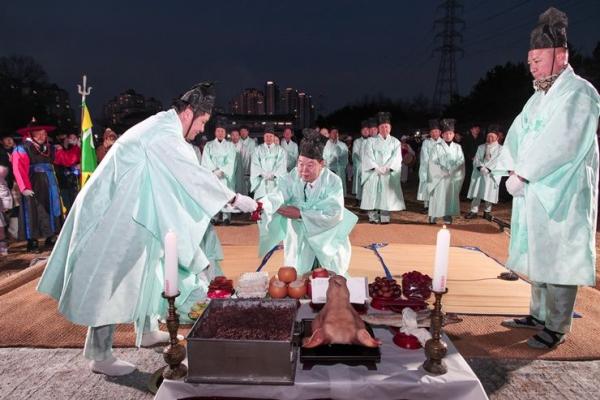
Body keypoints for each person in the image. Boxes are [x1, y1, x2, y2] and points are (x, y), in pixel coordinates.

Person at [36, 83, 258, 376]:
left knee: (150, 271)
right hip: (114, 214)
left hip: (135, 211)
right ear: (189, 113)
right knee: (111, 278)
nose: (200, 130)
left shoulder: (163, 127)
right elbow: (191, 177)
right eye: (202, 122)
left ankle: (147, 329)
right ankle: (99, 355)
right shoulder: (163, 134)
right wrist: (235, 199)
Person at [496, 8, 600, 349]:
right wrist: (511, 168)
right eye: (529, 61)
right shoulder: (539, 97)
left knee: (558, 256)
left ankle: (558, 324)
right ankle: (538, 313)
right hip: (536, 188)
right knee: (539, 252)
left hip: (563, 191)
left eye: (537, 59)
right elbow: (518, 132)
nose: (532, 66)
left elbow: (562, 143)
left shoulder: (579, 93)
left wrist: (524, 173)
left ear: (560, 55)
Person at [258, 129, 358, 276]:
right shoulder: (293, 175)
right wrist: (265, 204)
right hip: (299, 237)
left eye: (310, 165)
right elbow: (279, 193)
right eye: (300, 164)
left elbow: (333, 213)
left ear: (322, 164)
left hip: (326, 237)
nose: (303, 170)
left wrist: (301, 214)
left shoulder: (333, 181)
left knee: (331, 278)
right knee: (298, 276)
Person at [11, 118, 80, 252]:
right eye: (38, 134)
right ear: (31, 135)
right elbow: (18, 168)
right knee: (33, 210)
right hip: (33, 183)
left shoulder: (50, 149)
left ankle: (51, 236)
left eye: (43, 133)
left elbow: (67, 159)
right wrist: (24, 187)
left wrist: (77, 147)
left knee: (51, 209)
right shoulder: (22, 149)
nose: (42, 136)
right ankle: (33, 241)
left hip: (50, 183)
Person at [360, 112, 405, 224]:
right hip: (374, 172)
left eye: (387, 126)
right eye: (382, 127)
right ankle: (373, 217)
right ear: (378, 128)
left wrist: (387, 168)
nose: (384, 128)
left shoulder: (396, 142)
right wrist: (376, 168)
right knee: (372, 194)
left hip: (388, 172)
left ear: (390, 128)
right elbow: (368, 156)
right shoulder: (371, 141)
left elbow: (396, 157)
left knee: (386, 195)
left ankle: (385, 217)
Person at [427, 118, 465, 224]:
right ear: (442, 135)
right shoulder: (436, 147)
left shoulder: (458, 147)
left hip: (452, 177)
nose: (448, 135)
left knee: (449, 197)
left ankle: (447, 216)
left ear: (453, 135)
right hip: (439, 178)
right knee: (437, 197)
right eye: (446, 133)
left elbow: (461, 161)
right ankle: (433, 215)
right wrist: (442, 170)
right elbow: (432, 162)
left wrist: (452, 170)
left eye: (450, 133)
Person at [201, 117, 238, 225]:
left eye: (222, 131)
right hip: (213, 175)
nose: (220, 133)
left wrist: (222, 170)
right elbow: (206, 159)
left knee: (226, 195)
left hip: (225, 176)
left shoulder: (230, 146)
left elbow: (231, 161)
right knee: (214, 195)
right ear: (215, 132)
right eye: (218, 131)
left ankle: (227, 217)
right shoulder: (209, 145)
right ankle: (214, 216)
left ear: (225, 133)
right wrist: (213, 171)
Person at [465, 125, 503, 219]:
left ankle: (487, 212)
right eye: (488, 136)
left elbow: (498, 161)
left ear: (497, 138)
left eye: (492, 137)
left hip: (491, 174)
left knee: (489, 193)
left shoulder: (501, 149)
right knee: (477, 192)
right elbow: (477, 158)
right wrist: (480, 167)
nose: (490, 139)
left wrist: (488, 169)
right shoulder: (481, 147)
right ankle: (474, 211)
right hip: (479, 173)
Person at [250, 123, 287, 199]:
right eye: (267, 136)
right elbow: (255, 165)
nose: (269, 138)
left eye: (271, 136)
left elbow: (282, 165)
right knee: (261, 204)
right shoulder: (257, 150)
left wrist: (273, 174)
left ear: (274, 137)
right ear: (263, 137)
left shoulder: (281, 150)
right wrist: (263, 173)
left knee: (275, 203)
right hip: (261, 181)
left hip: (275, 182)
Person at [417, 120, 442, 213]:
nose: (434, 133)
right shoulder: (426, 143)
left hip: (440, 170)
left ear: (440, 132)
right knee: (427, 187)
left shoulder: (443, 142)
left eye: (436, 131)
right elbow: (424, 157)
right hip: (427, 169)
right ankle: (426, 206)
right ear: (430, 133)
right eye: (432, 132)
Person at [55, 133, 82, 214]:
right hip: (62, 183)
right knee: (67, 206)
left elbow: (74, 159)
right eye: (70, 138)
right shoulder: (57, 149)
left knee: (76, 205)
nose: (71, 140)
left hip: (74, 183)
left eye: (74, 138)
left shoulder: (78, 149)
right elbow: (68, 160)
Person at [461, 123, 485, 199]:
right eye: (475, 128)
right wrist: (471, 157)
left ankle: (477, 195)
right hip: (469, 162)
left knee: (478, 179)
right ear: (471, 129)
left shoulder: (482, 138)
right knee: (468, 178)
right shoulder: (466, 138)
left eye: (478, 128)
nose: (477, 129)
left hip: (479, 162)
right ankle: (466, 195)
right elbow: (464, 150)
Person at [323, 127, 349, 196]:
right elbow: (324, 157)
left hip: (339, 170)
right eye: (333, 132)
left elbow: (345, 158)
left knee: (339, 189)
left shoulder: (343, 145)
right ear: (329, 134)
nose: (335, 134)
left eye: (336, 132)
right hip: (329, 169)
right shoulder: (326, 145)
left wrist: (341, 165)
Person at [351, 120, 370, 201]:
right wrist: (359, 164)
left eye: (367, 130)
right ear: (361, 131)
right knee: (360, 183)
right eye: (363, 130)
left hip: (371, 166)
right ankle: (359, 199)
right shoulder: (357, 141)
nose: (365, 131)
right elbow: (355, 154)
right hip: (361, 165)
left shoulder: (373, 140)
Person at [237, 125, 256, 195]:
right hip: (239, 167)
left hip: (249, 168)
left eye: (245, 131)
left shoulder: (252, 142)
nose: (243, 133)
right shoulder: (237, 141)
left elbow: (254, 157)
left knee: (249, 189)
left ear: (248, 132)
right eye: (242, 131)